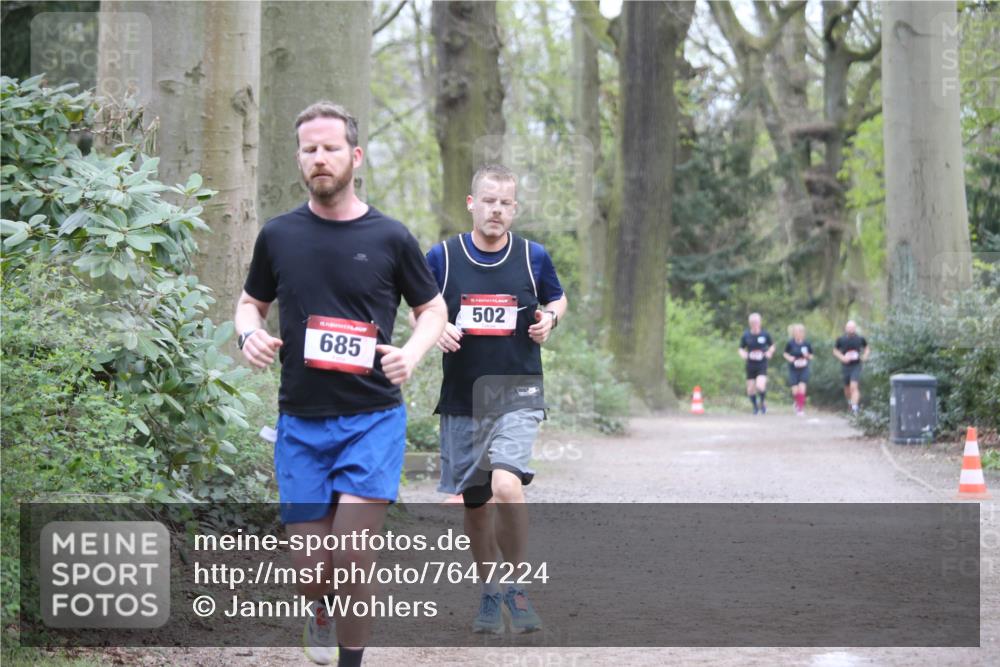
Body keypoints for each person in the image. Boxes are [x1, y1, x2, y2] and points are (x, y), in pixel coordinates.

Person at [234, 101, 446, 666]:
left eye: (330, 148)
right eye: (309, 150)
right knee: (312, 573)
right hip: (301, 422)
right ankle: (318, 608)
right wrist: (247, 334)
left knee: (352, 558)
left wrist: (412, 353)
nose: (319, 158)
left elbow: (433, 310)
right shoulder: (278, 236)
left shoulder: (390, 236)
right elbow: (250, 304)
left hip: (372, 418)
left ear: (354, 156)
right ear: (299, 160)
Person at [423, 164, 567, 634]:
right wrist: (437, 326)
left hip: (518, 391)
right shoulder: (443, 256)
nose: (496, 210)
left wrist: (550, 318)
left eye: (505, 203)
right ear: (472, 203)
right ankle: (488, 592)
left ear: (515, 209)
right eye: (488, 201)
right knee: (476, 502)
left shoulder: (533, 256)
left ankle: (517, 589)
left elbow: (558, 299)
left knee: (507, 485)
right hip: (462, 398)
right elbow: (419, 309)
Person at [738, 313, 775, 415]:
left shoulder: (765, 334)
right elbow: (740, 348)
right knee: (750, 389)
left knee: (760, 385)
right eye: (753, 322)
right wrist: (743, 354)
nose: (755, 324)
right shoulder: (746, 335)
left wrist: (769, 352)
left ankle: (762, 403)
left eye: (756, 322)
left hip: (761, 364)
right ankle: (755, 407)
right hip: (750, 364)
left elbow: (772, 345)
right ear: (750, 323)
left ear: (760, 323)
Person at [834, 320, 870, 415]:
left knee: (854, 386)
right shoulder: (841, 339)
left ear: (855, 328)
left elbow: (867, 348)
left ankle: (855, 408)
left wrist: (865, 356)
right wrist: (842, 358)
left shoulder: (860, 339)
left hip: (856, 365)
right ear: (846, 329)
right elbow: (835, 350)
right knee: (847, 388)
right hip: (845, 366)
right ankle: (850, 402)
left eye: (852, 328)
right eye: (849, 328)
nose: (851, 329)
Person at [782, 323, 813, 416]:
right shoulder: (790, 343)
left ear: (803, 333)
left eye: (800, 332)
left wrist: (807, 356)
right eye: (796, 332)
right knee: (795, 390)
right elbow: (785, 353)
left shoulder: (807, 343)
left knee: (802, 388)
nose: (798, 333)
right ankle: (797, 402)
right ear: (794, 333)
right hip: (793, 369)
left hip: (804, 368)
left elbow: (811, 356)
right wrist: (789, 358)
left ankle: (800, 409)